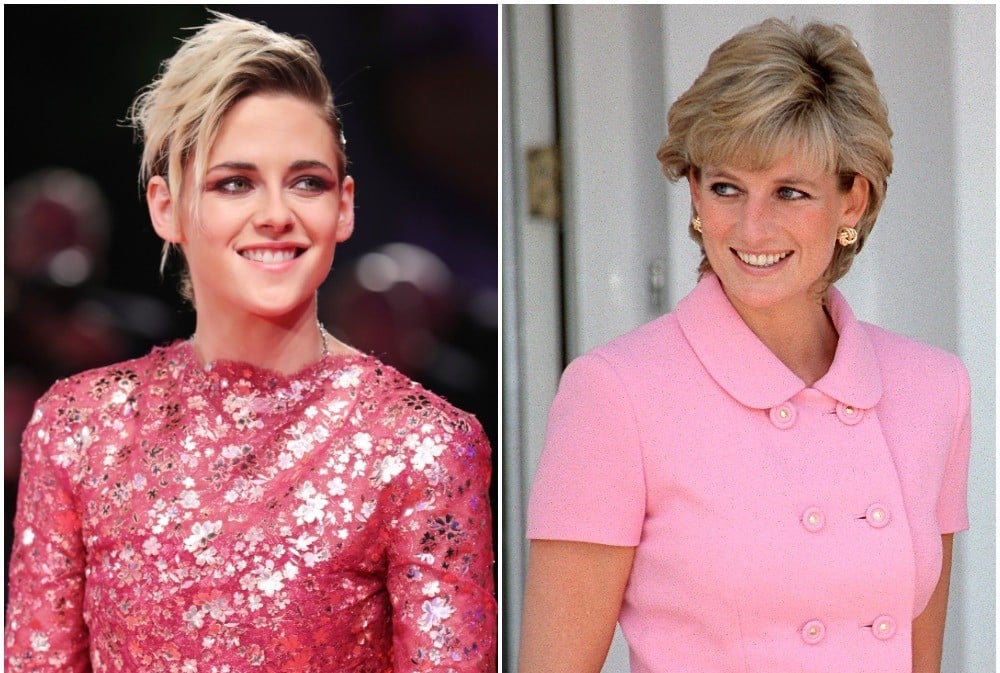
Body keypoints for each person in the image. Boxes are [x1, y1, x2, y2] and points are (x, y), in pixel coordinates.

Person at [4, 12, 496, 672]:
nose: (274, 213)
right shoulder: (76, 429)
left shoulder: (427, 446)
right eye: (234, 181)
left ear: (343, 207)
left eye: (306, 181)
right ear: (166, 208)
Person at [519, 18, 969, 673]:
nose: (751, 227)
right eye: (727, 186)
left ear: (852, 199)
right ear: (696, 191)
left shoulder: (933, 388)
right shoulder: (616, 393)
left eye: (790, 191)